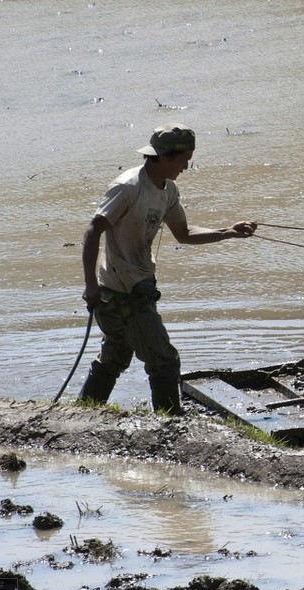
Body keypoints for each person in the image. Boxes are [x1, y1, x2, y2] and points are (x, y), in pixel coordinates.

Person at [78, 123, 258, 415]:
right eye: (185, 158)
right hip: (123, 291)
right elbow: (92, 231)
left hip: (136, 285)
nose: (187, 166)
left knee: (114, 357)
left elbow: (184, 233)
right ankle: (170, 424)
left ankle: (83, 414)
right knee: (164, 361)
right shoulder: (128, 187)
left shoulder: (168, 190)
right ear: (164, 156)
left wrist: (228, 232)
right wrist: (90, 285)